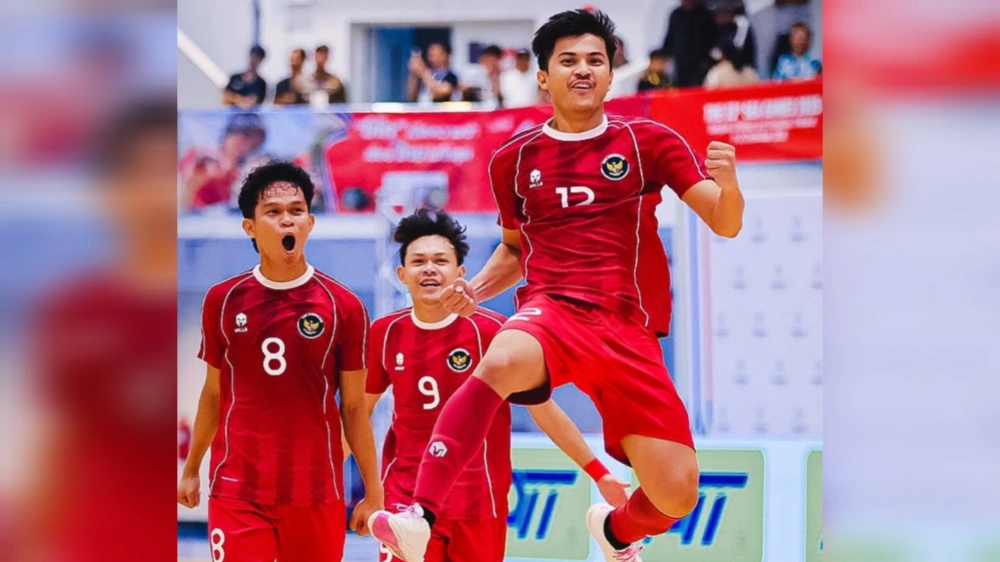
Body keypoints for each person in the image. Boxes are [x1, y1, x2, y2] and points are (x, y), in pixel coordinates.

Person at [368, 9, 744, 562]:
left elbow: (725, 221)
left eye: (596, 60)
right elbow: (517, 251)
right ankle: (418, 516)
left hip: (629, 331)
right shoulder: (513, 162)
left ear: (612, 74)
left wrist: (729, 186)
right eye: (568, 61)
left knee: (676, 491)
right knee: (499, 362)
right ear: (543, 76)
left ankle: (616, 531)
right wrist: (476, 287)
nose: (583, 70)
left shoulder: (648, 142)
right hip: (553, 311)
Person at [354, 209, 630, 562]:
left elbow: (543, 410)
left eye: (441, 260)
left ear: (461, 273)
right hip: (405, 503)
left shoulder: (495, 332)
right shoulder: (384, 332)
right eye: (418, 261)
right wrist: (356, 488)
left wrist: (600, 473)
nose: (429, 269)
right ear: (402, 275)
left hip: (479, 502)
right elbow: (359, 412)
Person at [177, 161, 383, 561]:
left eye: (296, 210)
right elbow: (213, 395)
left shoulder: (345, 307)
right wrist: (191, 468)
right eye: (273, 213)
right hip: (238, 489)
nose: (287, 220)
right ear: (250, 227)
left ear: (310, 221)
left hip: (315, 492)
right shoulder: (223, 301)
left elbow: (355, 408)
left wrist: (373, 493)